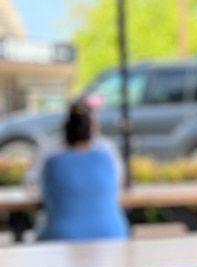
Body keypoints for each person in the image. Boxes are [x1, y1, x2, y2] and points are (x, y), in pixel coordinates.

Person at [34, 101, 129, 241]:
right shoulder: (106, 155)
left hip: (62, 236)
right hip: (113, 234)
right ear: (93, 128)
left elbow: (39, 188)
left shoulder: (52, 158)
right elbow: (119, 182)